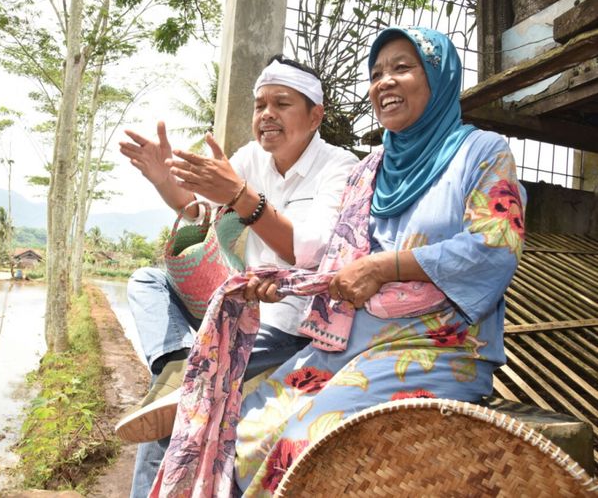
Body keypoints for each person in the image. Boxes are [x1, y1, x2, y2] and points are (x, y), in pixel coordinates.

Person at [149, 26, 526, 497]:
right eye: (376, 73)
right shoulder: (371, 169)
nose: (384, 81)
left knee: (300, 443)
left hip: (436, 348)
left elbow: (495, 245)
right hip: (350, 343)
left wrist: (384, 268)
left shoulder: (482, 152)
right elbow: (335, 259)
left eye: (402, 68)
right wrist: (279, 282)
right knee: (245, 431)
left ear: (439, 77)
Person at [117, 55, 359, 497]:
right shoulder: (251, 159)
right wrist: (161, 180)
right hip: (238, 306)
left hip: (287, 324)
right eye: (260, 104)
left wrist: (243, 197)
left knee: (181, 404)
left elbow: (311, 248)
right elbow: (200, 211)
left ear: (315, 115)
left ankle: (185, 373)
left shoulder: (340, 167)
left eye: (281, 104)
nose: (266, 115)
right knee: (146, 281)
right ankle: (176, 358)